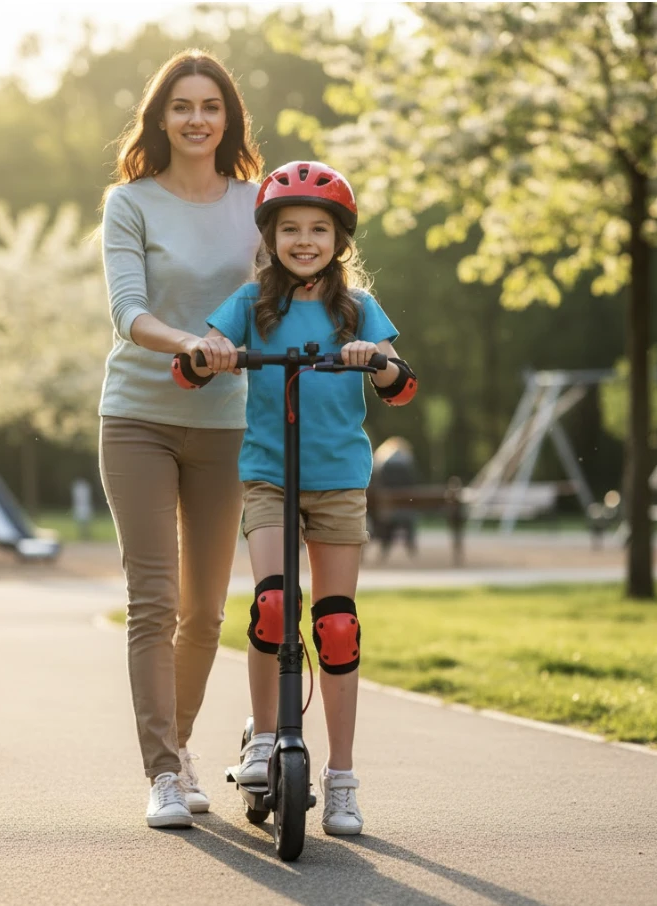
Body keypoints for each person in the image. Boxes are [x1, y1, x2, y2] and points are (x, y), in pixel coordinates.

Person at [174, 161, 417, 835]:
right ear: (270, 236)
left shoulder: (358, 309)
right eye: (290, 229)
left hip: (338, 479)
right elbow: (198, 357)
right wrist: (210, 354)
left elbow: (401, 383)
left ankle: (341, 779)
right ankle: (261, 742)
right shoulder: (252, 304)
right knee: (276, 606)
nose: (304, 240)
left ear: (339, 238)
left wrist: (376, 359)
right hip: (269, 475)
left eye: (318, 228)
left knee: (336, 624)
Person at [98, 49, 263, 829]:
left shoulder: (257, 203)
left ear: (228, 118)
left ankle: (183, 745)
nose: (197, 119)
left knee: (205, 612)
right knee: (153, 600)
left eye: (211, 106)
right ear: (160, 118)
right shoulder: (128, 203)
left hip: (227, 423)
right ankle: (162, 772)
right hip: (137, 417)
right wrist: (189, 343)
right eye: (182, 106)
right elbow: (127, 312)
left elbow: (291, 286)